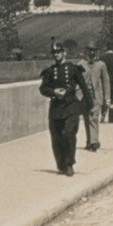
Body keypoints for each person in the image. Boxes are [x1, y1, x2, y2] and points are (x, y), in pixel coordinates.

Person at [39, 43, 90, 175]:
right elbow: (43, 88)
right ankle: (61, 165)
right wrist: (54, 91)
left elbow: (84, 87)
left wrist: (90, 105)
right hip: (56, 107)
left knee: (68, 133)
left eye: (59, 52)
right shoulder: (50, 71)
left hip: (71, 105)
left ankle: (69, 164)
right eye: (54, 53)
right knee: (56, 137)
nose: (56, 55)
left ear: (64, 53)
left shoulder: (73, 69)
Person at [82, 44, 110, 152]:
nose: (92, 53)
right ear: (86, 51)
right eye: (89, 50)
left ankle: (94, 142)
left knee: (93, 117)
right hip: (84, 96)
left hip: (96, 96)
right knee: (86, 119)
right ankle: (89, 141)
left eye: (94, 51)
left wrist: (107, 97)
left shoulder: (101, 65)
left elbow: (106, 82)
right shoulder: (81, 64)